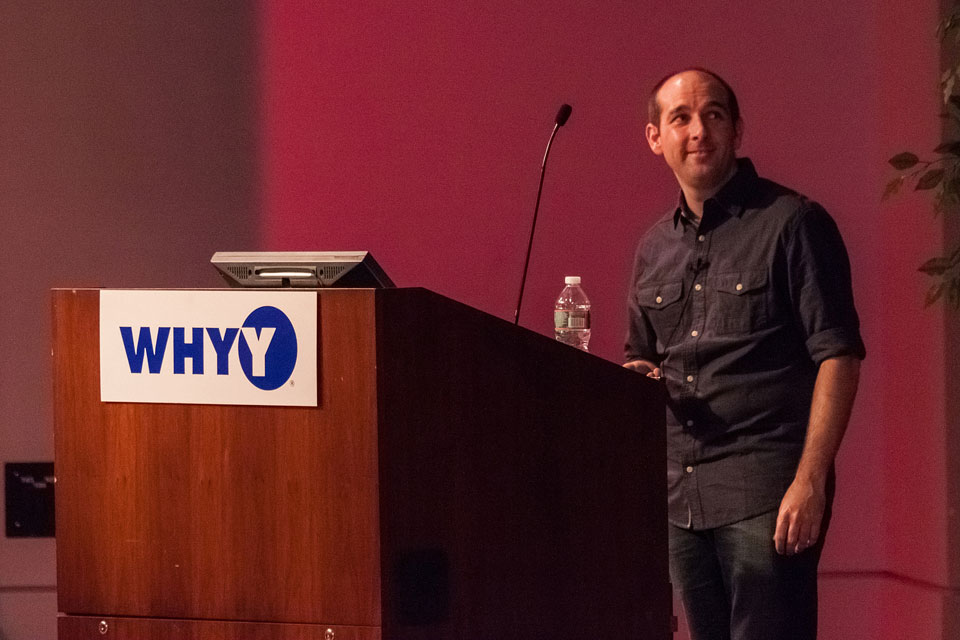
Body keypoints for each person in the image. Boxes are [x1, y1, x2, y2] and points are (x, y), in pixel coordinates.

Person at [624, 68, 864, 640]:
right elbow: (639, 357)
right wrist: (640, 376)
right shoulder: (653, 249)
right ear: (656, 137)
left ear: (737, 130)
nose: (699, 130)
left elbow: (839, 355)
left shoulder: (793, 223)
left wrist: (811, 482)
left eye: (714, 115)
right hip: (682, 497)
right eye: (680, 118)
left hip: (767, 489)